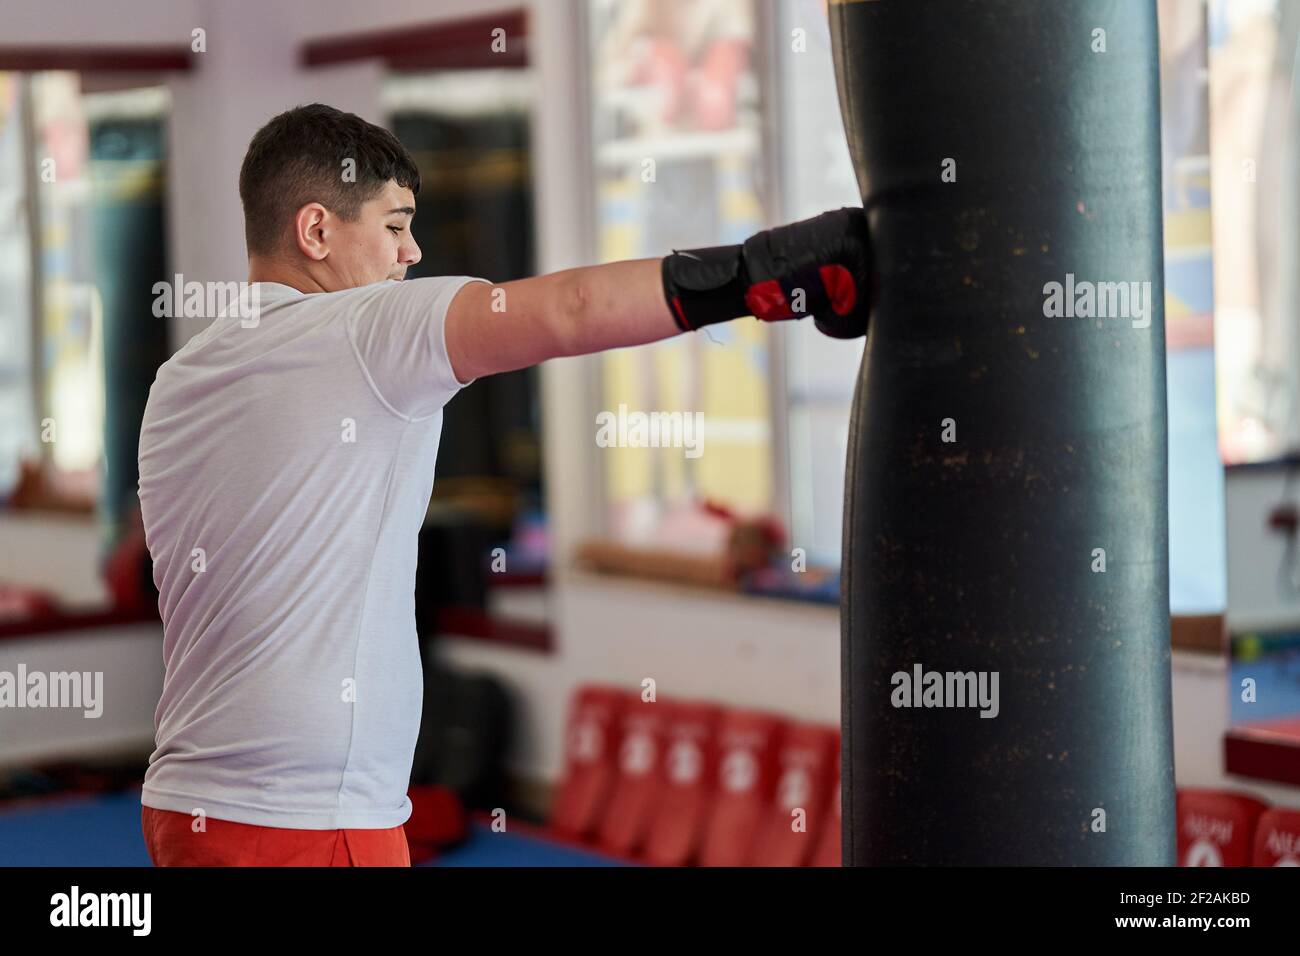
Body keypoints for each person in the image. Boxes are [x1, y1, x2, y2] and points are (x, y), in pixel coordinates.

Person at [137, 103, 869, 866]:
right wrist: (760, 275)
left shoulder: (180, 378)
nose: (410, 252)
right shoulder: (359, 331)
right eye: (393, 227)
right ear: (316, 232)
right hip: (308, 821)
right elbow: (570, 310)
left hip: (186, 805)